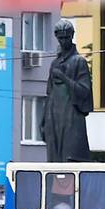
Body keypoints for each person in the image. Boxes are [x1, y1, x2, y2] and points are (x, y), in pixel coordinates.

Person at [41, 19, 94, 162]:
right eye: (60, 38)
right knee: (54, 163)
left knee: (71, 160)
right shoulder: (55, 63)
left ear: (72, 36)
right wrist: (43, 122)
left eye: (67, 37)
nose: (64, 41)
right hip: (54, 119)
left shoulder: (79, 61)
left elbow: (84, 91)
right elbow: (49, 94)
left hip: (71, 119)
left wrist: (64, 78)